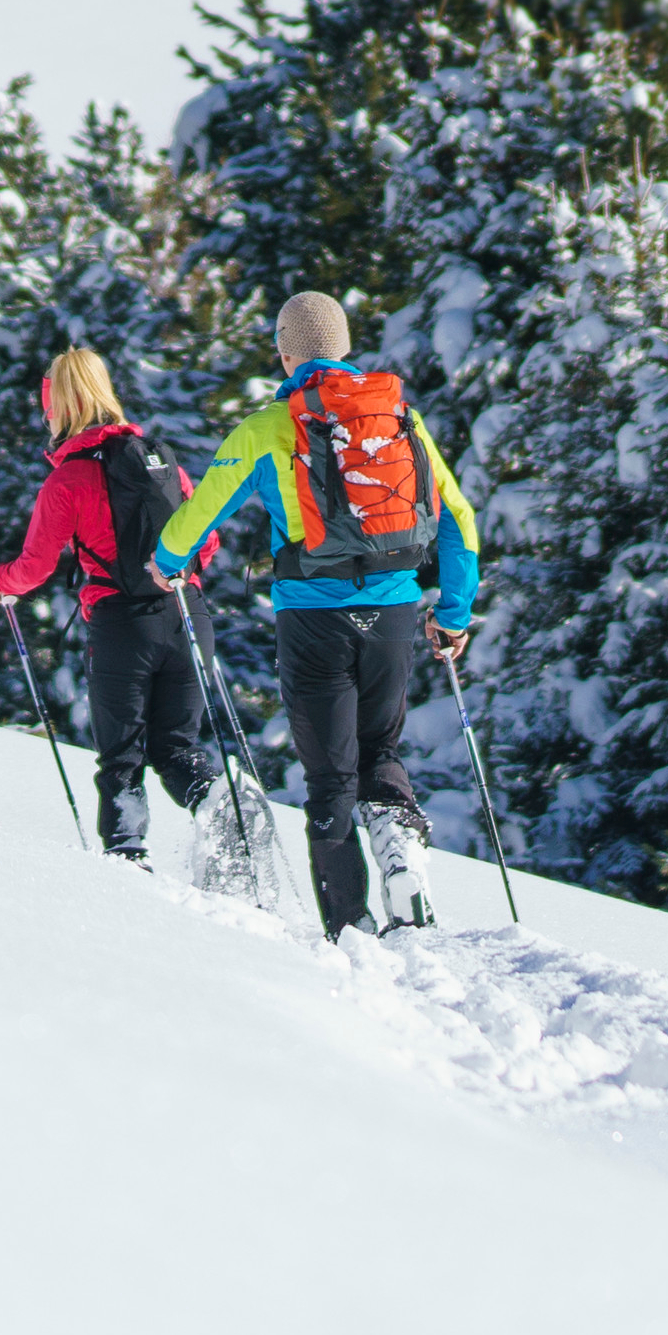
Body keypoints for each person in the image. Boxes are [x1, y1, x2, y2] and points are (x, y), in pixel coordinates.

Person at [151, 293, 483, 935]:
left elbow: (198, 515)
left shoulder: (267, 428)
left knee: (330, 779)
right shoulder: (399, 419)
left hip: (311, 620)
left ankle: (349, 929)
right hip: (391, 615)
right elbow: (459, 519)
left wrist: (166, 563)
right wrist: (454, 614)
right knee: (379, 749)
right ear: (345, 346)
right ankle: (402, 853)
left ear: (285, 354)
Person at [0, 347, 231, 870]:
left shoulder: (68, 479)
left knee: (122, 758)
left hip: (123, 628)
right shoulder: (159, 460)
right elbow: (205, 544)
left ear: (57, 407)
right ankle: (218, 803)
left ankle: (127, 860)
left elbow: (35, 568)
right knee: (176, 748)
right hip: (188, 616)